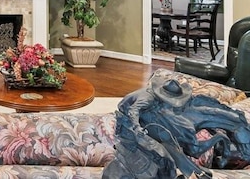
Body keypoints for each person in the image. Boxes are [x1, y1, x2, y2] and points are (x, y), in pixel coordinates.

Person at [103, 75, 250, 179]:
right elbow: (133, 111)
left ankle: (188, 171)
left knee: (169, 142)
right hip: (127, 121)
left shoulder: (156, 99)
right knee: (157, 150)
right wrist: (136, 128)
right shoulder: (147, 97)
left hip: (142, 118)